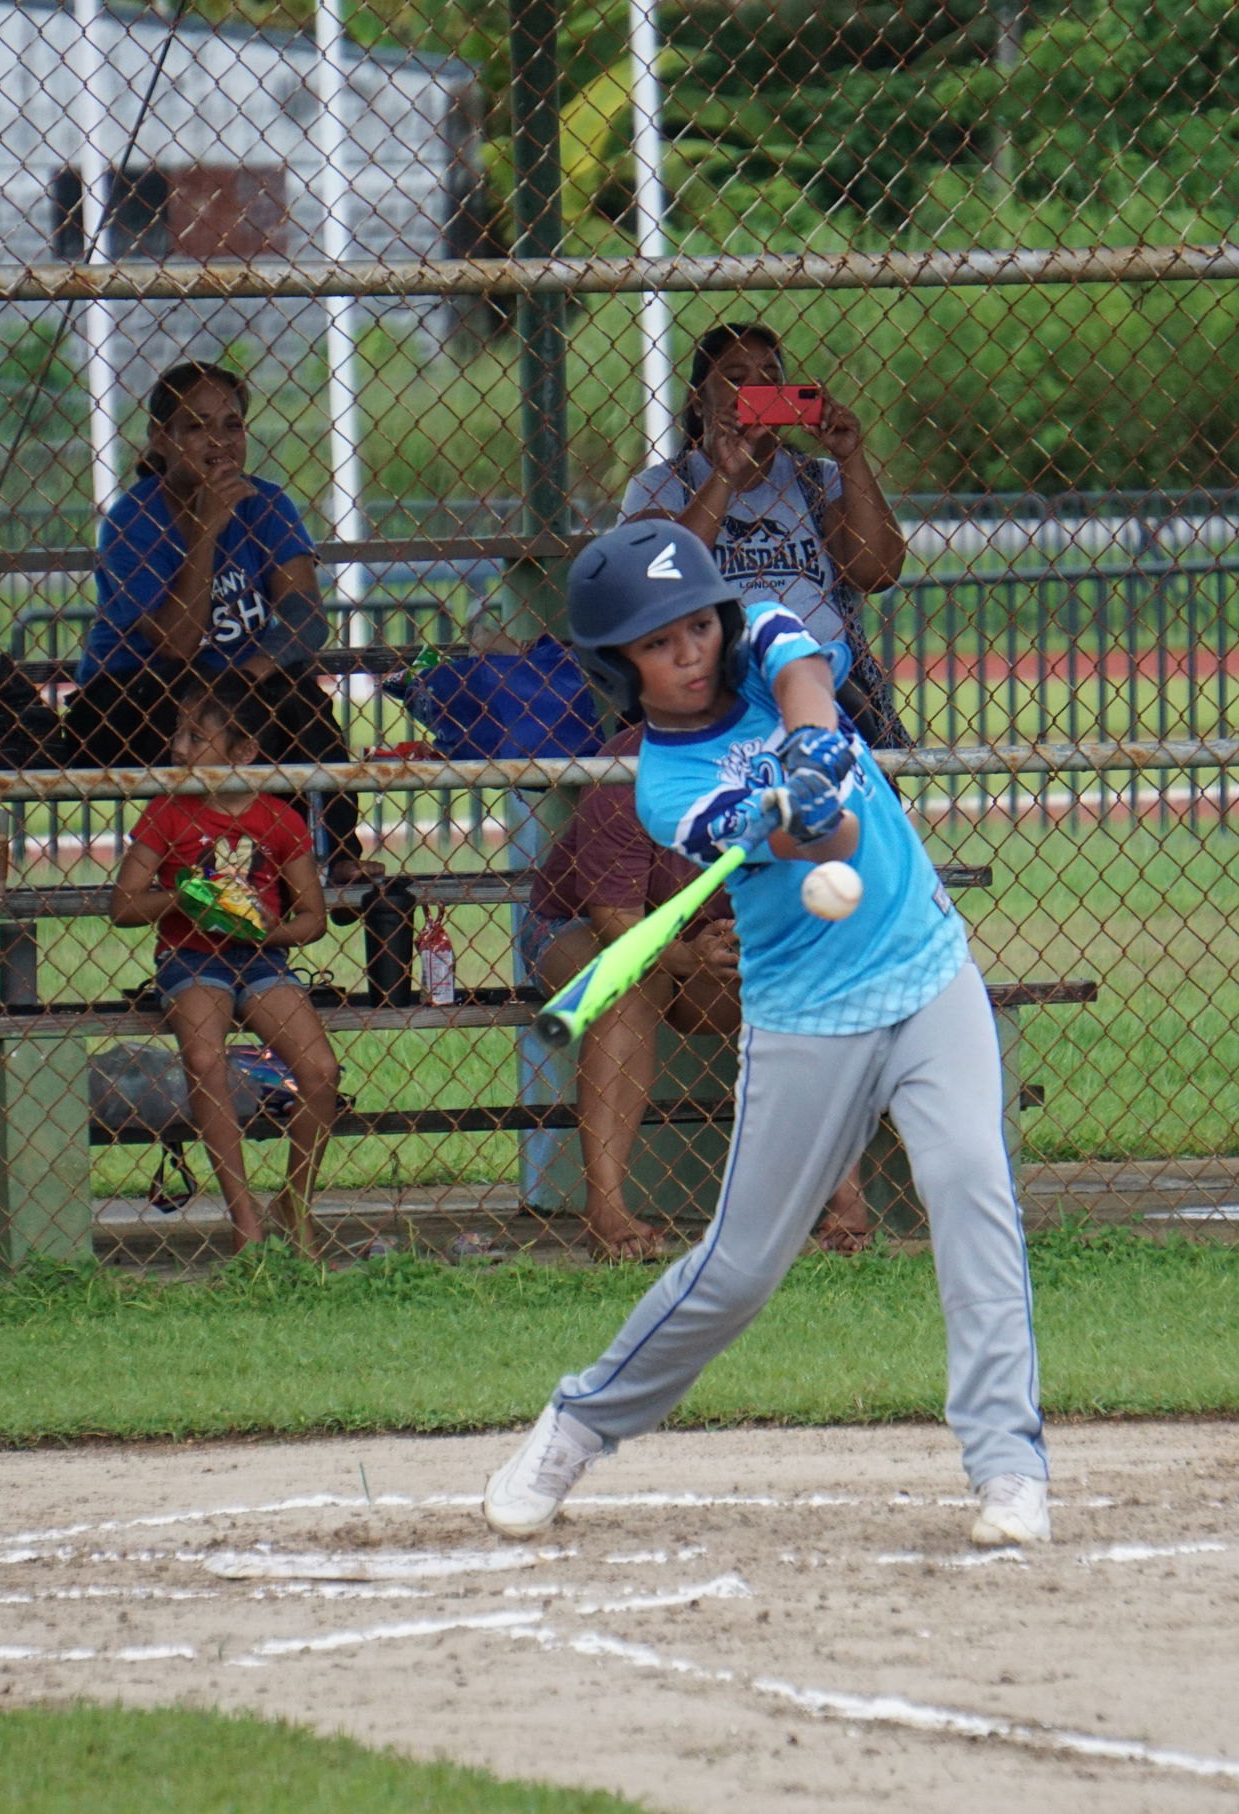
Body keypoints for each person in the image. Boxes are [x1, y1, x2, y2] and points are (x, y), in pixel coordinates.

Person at [483, 519, 1049, 1549]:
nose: (689, 648)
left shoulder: (766, 633)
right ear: (622, 662)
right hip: (805, 1017)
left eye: (696, 623)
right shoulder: (668, 788)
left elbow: (803, 682)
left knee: (972, 1184)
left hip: (925, 968)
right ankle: (576, 1423)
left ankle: (1009, 1466)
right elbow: (823, 834)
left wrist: (812, 742)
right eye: (658, 640)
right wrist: (802, 799)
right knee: (738, 1271)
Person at [524, 717, 872, 1261]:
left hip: (715, 938)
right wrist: (689, 956)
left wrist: (742, 946)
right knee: (635, 979)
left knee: (802, 981)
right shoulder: (628, 766)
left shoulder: (786, 764)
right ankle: (607, 1209)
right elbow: (617, 924)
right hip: (584, 929)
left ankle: (845, 1199)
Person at [65, 360, 380, 884]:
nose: (220, 439)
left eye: (232, 424)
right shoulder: (133, 520)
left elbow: (306, 620)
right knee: (201, 701)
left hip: (235, 690)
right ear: (161, 439)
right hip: (133, 698)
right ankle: (207, 867)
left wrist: (251, 675)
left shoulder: (267, 503)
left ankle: (335, 854)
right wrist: (208, 529)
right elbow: (175, 643)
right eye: (196, 425)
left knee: (300, 698)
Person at [110, 673, 341, 1257]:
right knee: (203, 1056)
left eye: (196, 737)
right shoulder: (166, 812)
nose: (179, 748)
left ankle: (294, 1202)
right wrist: (185, 897)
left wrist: (268, 929)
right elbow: (124, 906)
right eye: (178, 734)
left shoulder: (279, 819)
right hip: (191, 958)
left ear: (244, 753)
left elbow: (312, 915)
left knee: (319, 1072)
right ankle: (246, 1221)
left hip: (261, 959)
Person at [619, 320, 910, 751]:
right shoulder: (662, 485)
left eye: (772, 380)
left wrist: (850, 457)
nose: (756, 392)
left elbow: (878, 570)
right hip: (713, 685)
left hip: (820, 679)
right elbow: (657, 582)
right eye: (736, 381)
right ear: (700, 404)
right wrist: (724, 475)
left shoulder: (816, 479)